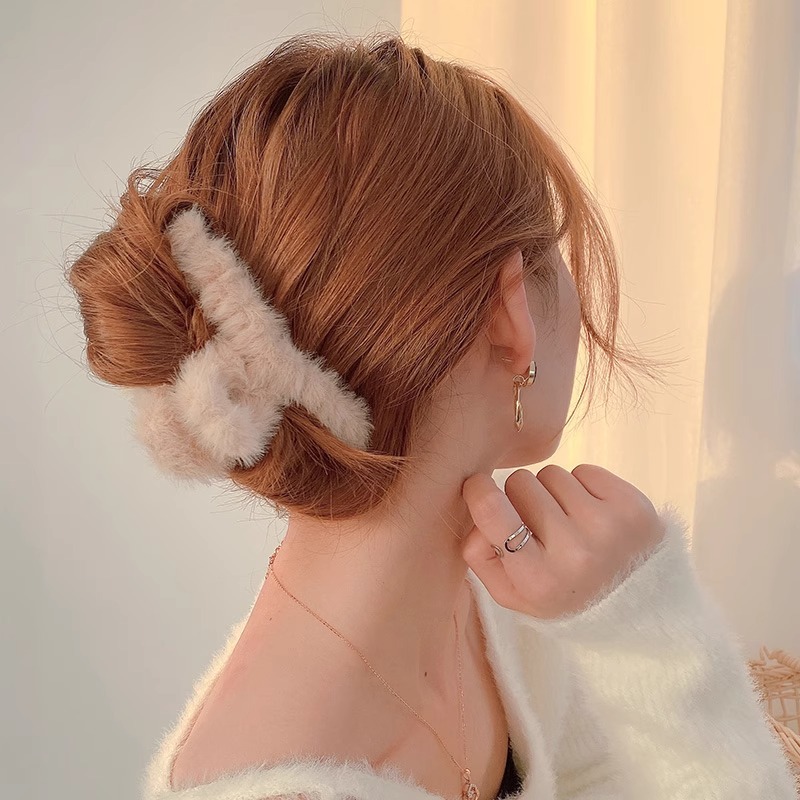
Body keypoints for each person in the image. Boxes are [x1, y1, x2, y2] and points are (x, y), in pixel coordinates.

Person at [66, 31, 799, 800]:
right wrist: (654, 636)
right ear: (511, 312)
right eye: (555, 251)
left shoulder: (488, 590)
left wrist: (624, 620)